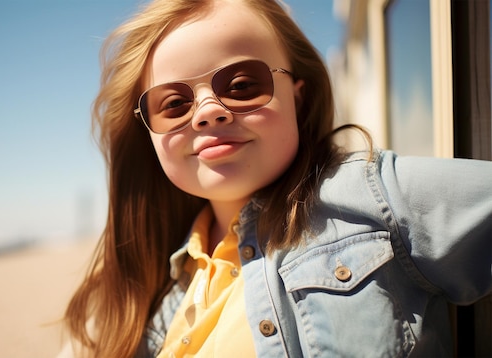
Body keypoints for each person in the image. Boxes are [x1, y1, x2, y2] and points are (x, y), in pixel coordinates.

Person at [62, 0, 492, 356]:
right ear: (149, 132)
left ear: (298, 99)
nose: (209, 110)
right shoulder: (154, 288)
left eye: (243, 85)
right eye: (173, 104)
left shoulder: (370, 196)